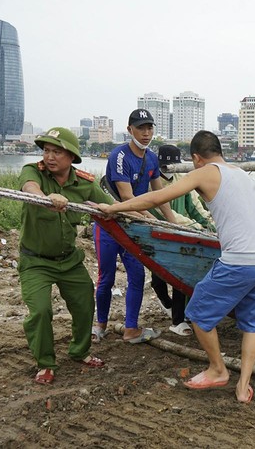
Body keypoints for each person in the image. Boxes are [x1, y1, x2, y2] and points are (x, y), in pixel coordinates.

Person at [97, 131, 255, 404]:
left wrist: (115, 208)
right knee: (251, 323)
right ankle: (243, 387)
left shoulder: (205, 172)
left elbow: (157, 197)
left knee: (197, 314)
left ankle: (218, 369)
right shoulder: (240, 174)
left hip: (241, 259)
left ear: (196, 158)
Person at [18, 127, 114, 385]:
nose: (49, 157)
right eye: (46, 150)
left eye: (56, 152)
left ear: (71, 156)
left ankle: (80, 351)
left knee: (85, 302)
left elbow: (109, 206)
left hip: (69, 260)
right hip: (36, 260)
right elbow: (29, 188)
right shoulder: (33, 171)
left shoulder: (84, 182)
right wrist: (46, 198)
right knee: (39, 311)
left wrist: (113, 210)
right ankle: (46, 363)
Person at [92, 109, 177, 345]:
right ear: (130, 130)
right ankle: (100, 325)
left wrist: (172, 223)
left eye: (150, 128)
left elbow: (160, 194)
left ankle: (131, 328)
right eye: (141, 128)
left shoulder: (151, 158)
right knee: (106, 278)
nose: (146, 133)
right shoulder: (119, 156)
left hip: (134, 227)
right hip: (110, 224)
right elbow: (127, 199)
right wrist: (154, 220)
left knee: (137, 276)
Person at [150, 144, 216, 336]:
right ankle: (168, 305)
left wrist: (211, 226)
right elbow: (162, 211)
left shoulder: (183, 180)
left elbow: (197, 208)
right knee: (157, 279)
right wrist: (194, 226)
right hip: (158, 234)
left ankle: (179, 320)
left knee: (182, 276)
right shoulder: (151, 183)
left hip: (182, 235)